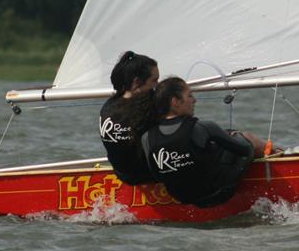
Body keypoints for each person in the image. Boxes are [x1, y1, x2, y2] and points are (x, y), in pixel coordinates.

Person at [141, 77, 268, 208]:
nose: (194, 100)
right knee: (247, 138)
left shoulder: (146, 138)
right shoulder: (203, 127)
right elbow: (246, 150)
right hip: (217, 193)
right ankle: (279, 153)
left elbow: (157, 175)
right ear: (175, 102)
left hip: (181, 198)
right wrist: (237, 137)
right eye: (189, 95)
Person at [98, 51, 160, 186]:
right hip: (147, 177)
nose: (157, 85)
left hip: (122, 175)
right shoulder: (148, 108)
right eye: (154, 80)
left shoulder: (109, 105)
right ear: (137, 82)